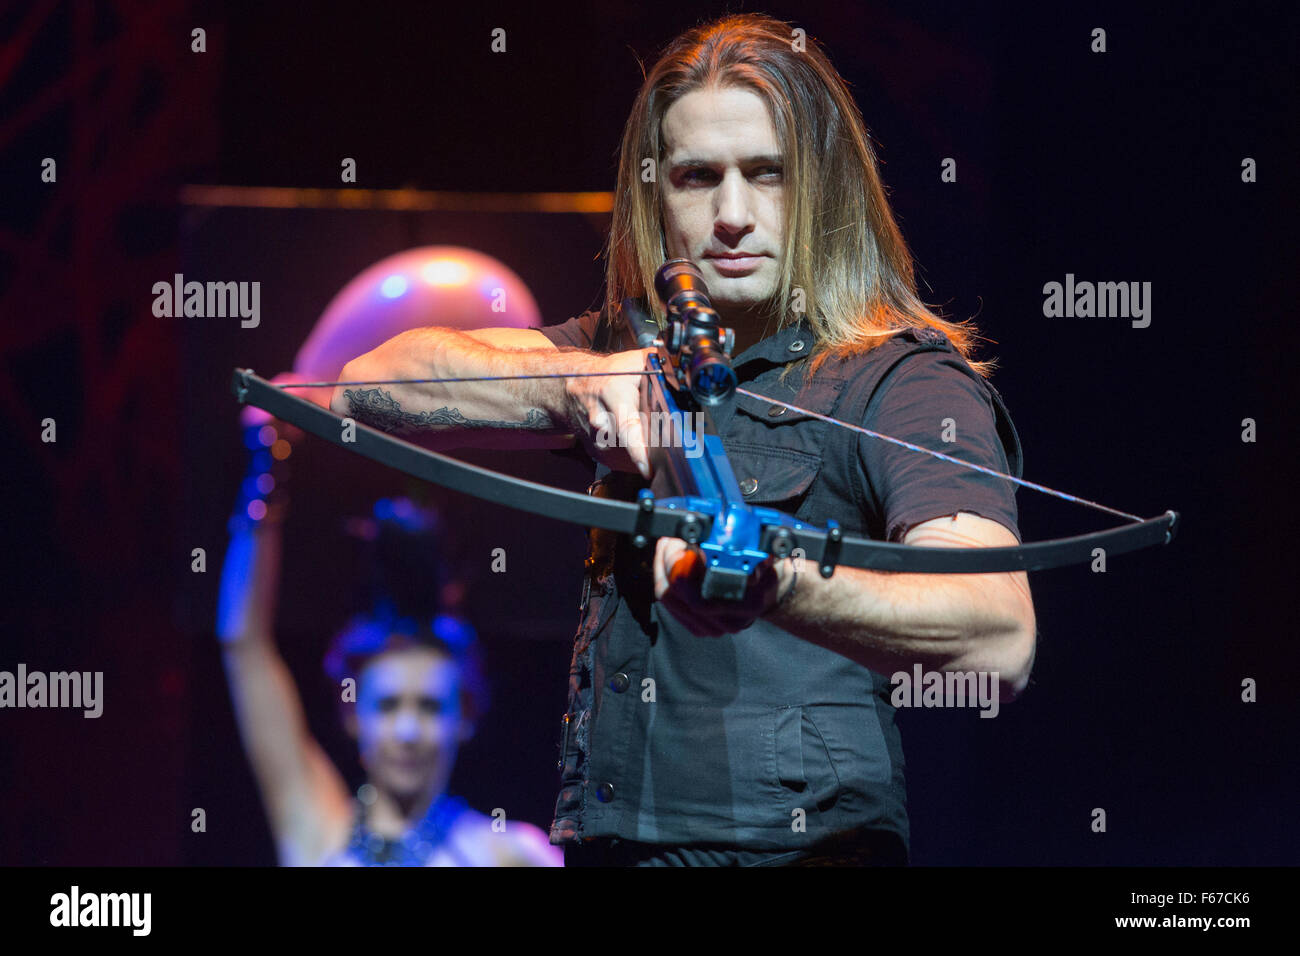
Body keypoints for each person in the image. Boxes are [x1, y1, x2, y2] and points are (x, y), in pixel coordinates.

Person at [329, 13, 1036, 866]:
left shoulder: (899, 380)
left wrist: (775, 582)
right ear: (655, 191)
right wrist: (575, 382)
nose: (732, 215)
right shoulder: (622, 353)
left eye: (767, 174)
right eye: (700, 177)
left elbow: (998, 634)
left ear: (823, 187)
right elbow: (368, 382)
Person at [217, 417, 561, 866]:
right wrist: (269, 461)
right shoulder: (316, 831)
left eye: (431, 706)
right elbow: (246, 647)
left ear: (467, 715)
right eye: (388, 705)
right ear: (353, 714)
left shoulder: (510, 854)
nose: (408, 732)